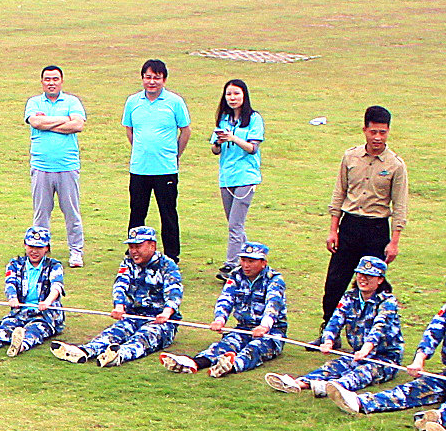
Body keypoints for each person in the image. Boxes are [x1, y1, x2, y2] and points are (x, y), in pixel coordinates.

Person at [339, 268, 446, 431]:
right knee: (413, 389)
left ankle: (437, 420)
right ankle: (361, 402)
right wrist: (419, 361)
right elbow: (432, 334)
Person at [319, 107, 409, 327]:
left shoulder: (396, 165)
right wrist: (333, 230)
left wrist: (394, 242)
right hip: (349, 225)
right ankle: (329, 328)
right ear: (364, 130)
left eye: (382, 132)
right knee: (335, 281)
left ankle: (375, 329)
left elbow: (400, 205)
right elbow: (339, 193)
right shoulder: (351, 157)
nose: (377, 137)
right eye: (373, 132)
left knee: (374, 282)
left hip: (376, 229)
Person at [267, 255, 400, 397]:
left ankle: (329, 388)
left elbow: (378, 329)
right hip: (357, 353)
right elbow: (336, 320)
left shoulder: (388, 302)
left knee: (361, 374)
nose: (363, 279)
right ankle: (298, 383)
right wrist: (328, 341)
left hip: (385, 358)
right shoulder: (350, 297)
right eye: (360, 274)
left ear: (380, 279)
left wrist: (366, 349)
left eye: (369, 276)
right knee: (333, 367)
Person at [54, 226, 183, 367]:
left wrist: (166, 313)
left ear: (152, 245)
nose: (133, 251)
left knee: (143, 339)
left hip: (160, 321)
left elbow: (174, 292)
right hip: (133, 316)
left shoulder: (167, 265)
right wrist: (119, 306)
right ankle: (83, 351)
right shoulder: (128, 263)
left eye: (138, 246)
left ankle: (118, 355)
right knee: (112, 334)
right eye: (131, 247)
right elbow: (120, 284)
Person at [163, 242, 284, 376]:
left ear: (263, 262)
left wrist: (264, 326)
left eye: (251, 261)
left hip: (271, 331)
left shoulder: (274, 279)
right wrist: (220, 319)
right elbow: (226, 298)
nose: (246, 265)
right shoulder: (236, 275)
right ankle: (195, 363)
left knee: (255, 349)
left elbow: (273, 305)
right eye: (243, 260)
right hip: (244, 327)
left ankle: (230, 366)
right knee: (225, 344)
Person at [121, 59, 190, 259]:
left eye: (157, 78)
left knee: (168, 213)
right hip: (139, 168)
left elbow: (185, 131)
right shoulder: (133, 101)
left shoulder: (175, 102)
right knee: (137, 212)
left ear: (164, 80)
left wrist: (175, 155)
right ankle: (134, 251)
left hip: (165, 169)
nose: (152, 82)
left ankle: (171, 255)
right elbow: (130, 130)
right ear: (142, 79)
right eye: (148, 77)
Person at [25, 64, 86, 267]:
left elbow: (77, 125)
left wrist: (49, 122)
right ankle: (39, 250)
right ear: (42, 82)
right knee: (41, 212)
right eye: (47, 79)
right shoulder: (34, 102)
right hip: (41, 166)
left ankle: (76, 252)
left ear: (61, 81)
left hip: (67, 166)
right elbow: (35, 123)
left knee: (71, 211)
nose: (51, 83)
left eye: (55, 79)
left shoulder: (72, 101)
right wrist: (64, 120)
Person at [208, 78, 264, 272]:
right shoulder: (223, 119)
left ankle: (231, 265)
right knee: (234, 224)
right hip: (226, 177)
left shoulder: (254, 119)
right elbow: (215, 150)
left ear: (244, 96)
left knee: (235, 224)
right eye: (229, 94)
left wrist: (233, 138)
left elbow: (252, 148)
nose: (232, 98)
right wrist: (219, 142)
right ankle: (251, 259)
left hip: (246, 177)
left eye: (236, 94)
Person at [0, 227, 66, 354]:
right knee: (7, 325)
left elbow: (57, 286)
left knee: (35, 330)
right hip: (20, 312)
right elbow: (10, 283)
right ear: (25, 245)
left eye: (39, 248)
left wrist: (48, 302)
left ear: (46, 248)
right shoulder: (15, 264)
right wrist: (12, 298)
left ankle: (20, 345)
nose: (34, 251)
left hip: (44, 315)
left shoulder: (54, 266)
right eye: (31, 247)